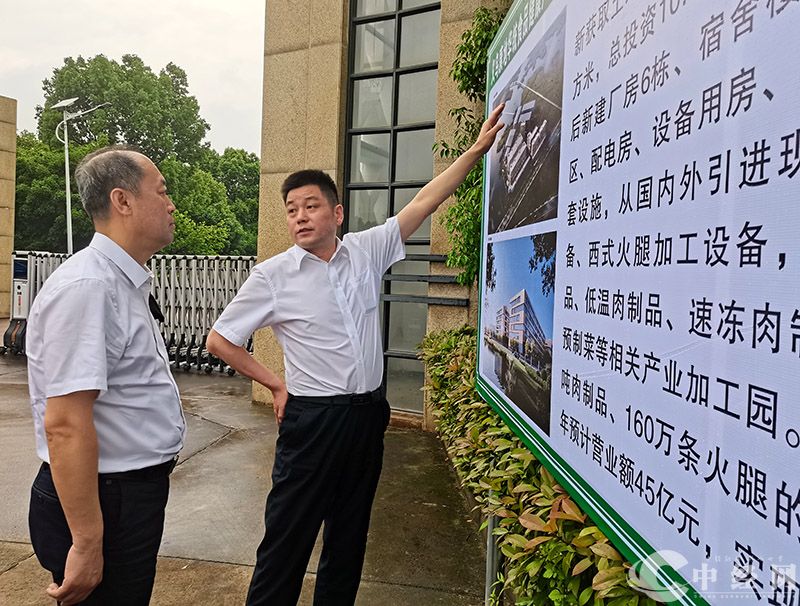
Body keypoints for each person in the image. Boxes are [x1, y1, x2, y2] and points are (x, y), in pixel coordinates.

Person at [206, 104, 505, 606]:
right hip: (312, 422)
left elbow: (425, 200)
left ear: (337, 213)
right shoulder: (273, 277)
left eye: (311, 206)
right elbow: (220, 340)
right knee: (287, 540)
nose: (300, 217)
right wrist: (275, 383)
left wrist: (476, 150)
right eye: (292, 210)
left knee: (348, 538)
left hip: (366, 417)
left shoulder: (366, 251)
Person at [26, 145, 185, 605]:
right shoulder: (90, 287)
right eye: (162, 192)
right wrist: (87, 541)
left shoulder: (121, 280)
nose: (172, 205)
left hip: (124, 496)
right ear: (123, 200)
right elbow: (65, 424)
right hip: (106, 501)